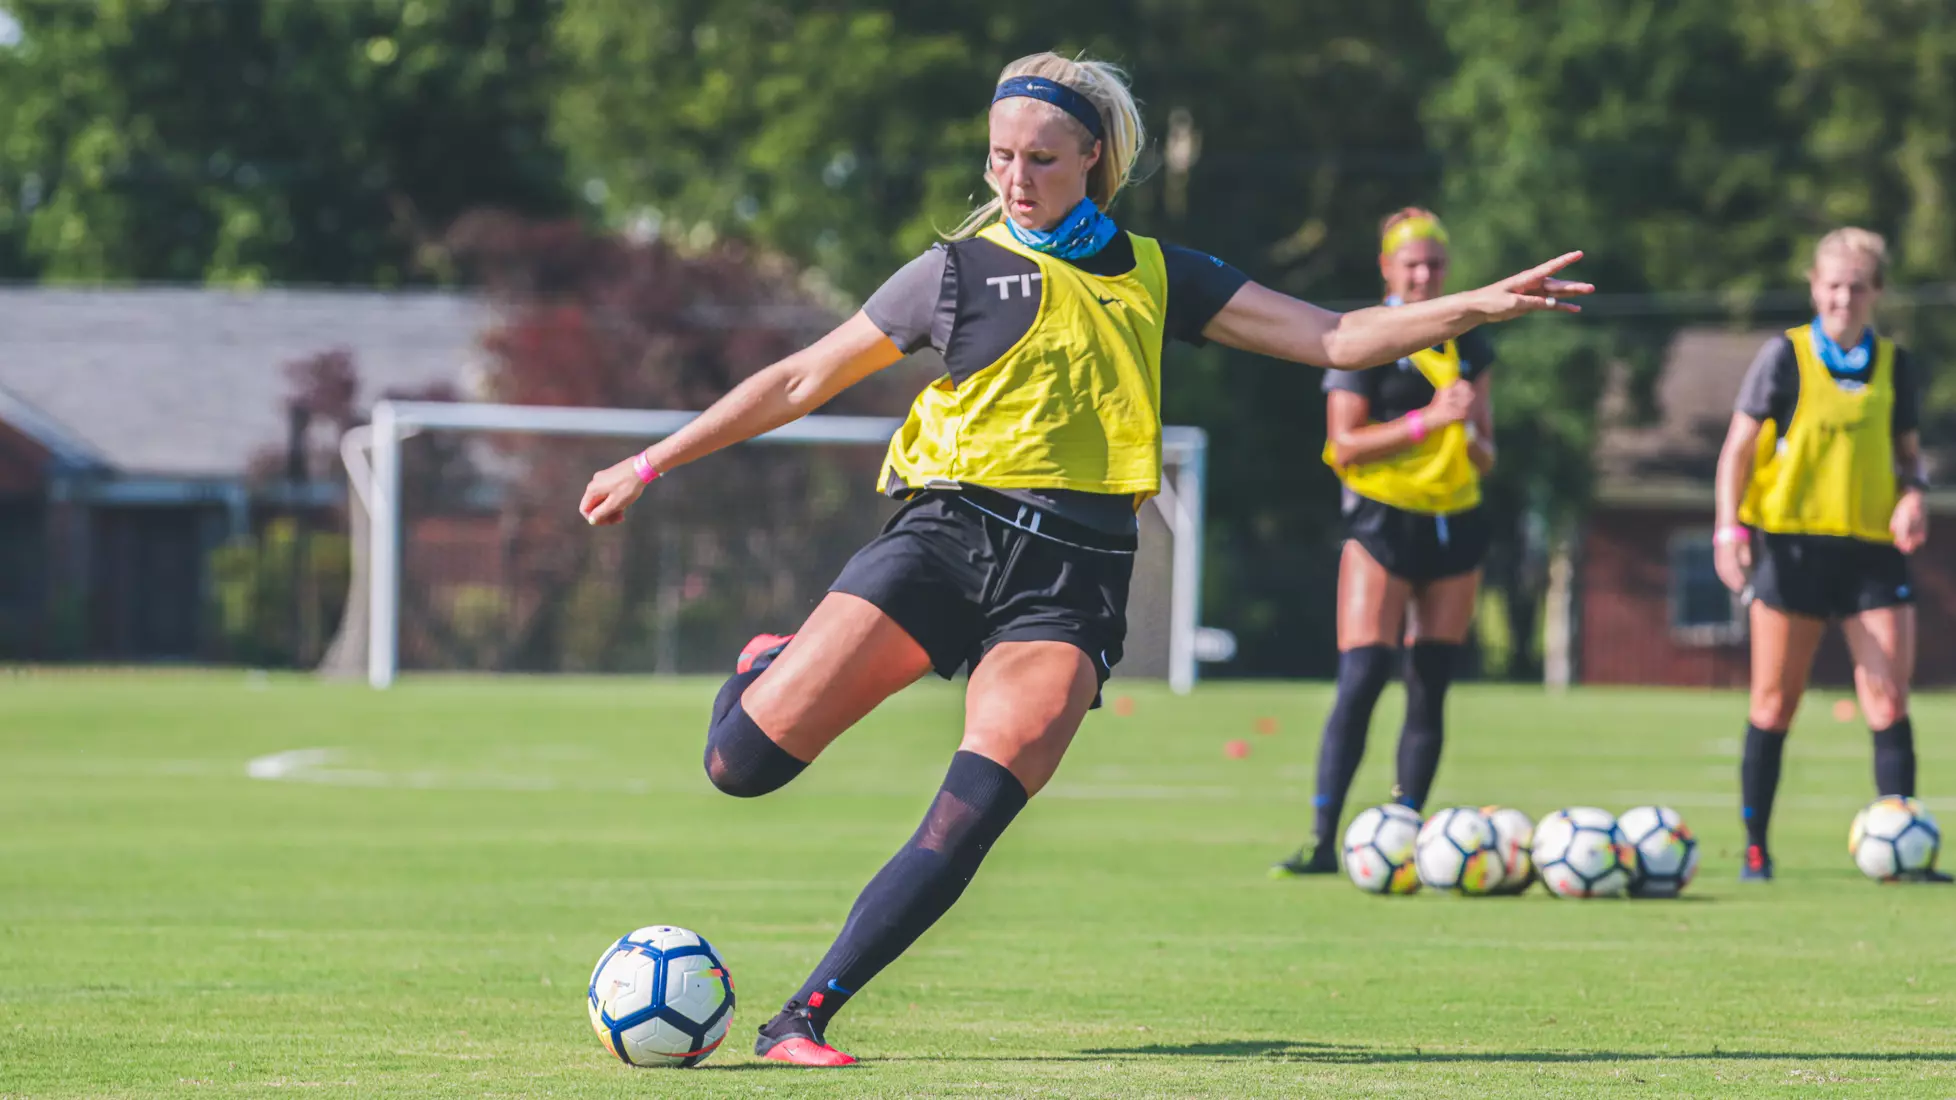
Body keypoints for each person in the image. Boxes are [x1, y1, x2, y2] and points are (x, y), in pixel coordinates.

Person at [579, 52, 1590, 1067]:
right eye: (1000, 157)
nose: (1014, 179)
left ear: (1093, 158)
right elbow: (802, 379)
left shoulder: (1161, 273)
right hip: (944, 539)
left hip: (1073, 580)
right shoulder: (952, 271)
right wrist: (652, 461)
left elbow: (1336, 337)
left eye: (1041, 159)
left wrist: (1475, 305)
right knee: (741, 767)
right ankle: (768, 663)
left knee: (971, 811)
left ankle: (801, 1017)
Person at [1713, 227, 1945, 883]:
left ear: (1877, 293)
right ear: (1815, 288)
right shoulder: (1783, 358)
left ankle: (1903, 852)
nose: (1845, 298)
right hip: (1793, 550)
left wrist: (1914, 494)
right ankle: (1756, 850)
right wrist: (1729, 531)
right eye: (1834, 285)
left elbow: (1909, 458)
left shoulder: (1895, 365)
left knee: (1888, 700)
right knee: (1773, 704)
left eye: (1858, 287)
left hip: (1872, 553)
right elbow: (1736, 452)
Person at [1271, 208, 1498, 878]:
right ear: (1387, 269)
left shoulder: (1470, 343)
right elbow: (1343, 445)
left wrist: (1471, 435)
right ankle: (1321, 839)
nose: (1425, 276)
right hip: (1382, 522)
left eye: (1435, 264)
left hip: (1455, 519)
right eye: (1412, 265)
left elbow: (1487, 451)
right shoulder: (1366, 336)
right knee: (1364, 676)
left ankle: (1409, 835)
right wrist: (1428, 422)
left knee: (1430, 685)